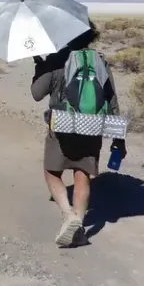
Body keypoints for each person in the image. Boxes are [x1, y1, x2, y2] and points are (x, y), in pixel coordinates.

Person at [30, 26, 126, 247]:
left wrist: (40, 67)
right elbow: (111, 99)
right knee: (82, 175)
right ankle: (79, 226)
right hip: (92, 127)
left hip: (61, 127)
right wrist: (118, 138)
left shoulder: (57, 60)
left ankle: (69, 214)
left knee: (51, 172)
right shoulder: (98, 61)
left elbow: (36, 94)